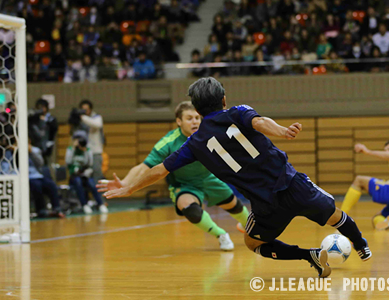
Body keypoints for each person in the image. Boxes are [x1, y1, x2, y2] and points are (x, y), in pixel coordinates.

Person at [104, 77, 371, 278]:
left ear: (198, 108)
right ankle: (360, 244)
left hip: (265, 204)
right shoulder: (237, 112)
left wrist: (129, 187)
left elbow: (160, 169)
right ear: (223, 99)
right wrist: (281, 131)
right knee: (334, 216)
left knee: (253, 243)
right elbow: (259, 121)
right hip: (292, 185)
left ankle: (309, 256)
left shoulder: (194, 143)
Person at [97, 101, 250, 251]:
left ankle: (251, 227)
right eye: (189, 118)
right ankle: (221, 234)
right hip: (184, 184)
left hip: (209, 178)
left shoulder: (208, 132)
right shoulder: (169, 142)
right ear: (179, 121)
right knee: (190, 209)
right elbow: (145, 166)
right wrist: (125, 183)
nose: (195, 121)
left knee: (234, 206)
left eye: (197, 118)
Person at [341, 141, 389, 230]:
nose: (387, 152)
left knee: (359, 180)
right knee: (378, 217)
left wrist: (368, 151)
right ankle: (387, 219)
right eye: (385, 150)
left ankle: (341, 217)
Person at [66, 130, 108, 214]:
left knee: (92, 183)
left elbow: (89, 163)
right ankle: (84, 204)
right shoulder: (70, 149)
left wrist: (84, 150)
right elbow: (68, 162)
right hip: (75, 176)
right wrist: (74, 149)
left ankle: (100, 204)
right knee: (78, 182)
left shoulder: (87, 149)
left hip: (85, 174)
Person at [29, 139, 65, 218]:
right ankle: (41, 210)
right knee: (36, 185)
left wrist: (31, 152)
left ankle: (57, 209)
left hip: (38, 175)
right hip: (27, 177)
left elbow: (40, 163)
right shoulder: (14, 151)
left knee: (51, 184)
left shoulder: (35, 150)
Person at [78, 99, 104, 183]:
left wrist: (82, 117)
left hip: (95, 152)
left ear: (91, 109)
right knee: (83, 178)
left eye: (87, 109)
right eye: (83, 109)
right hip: (84, 153)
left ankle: (101, 196)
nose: (85, 111)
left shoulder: (97, 117)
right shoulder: (80, 121)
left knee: (98, 177)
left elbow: (97, 125)